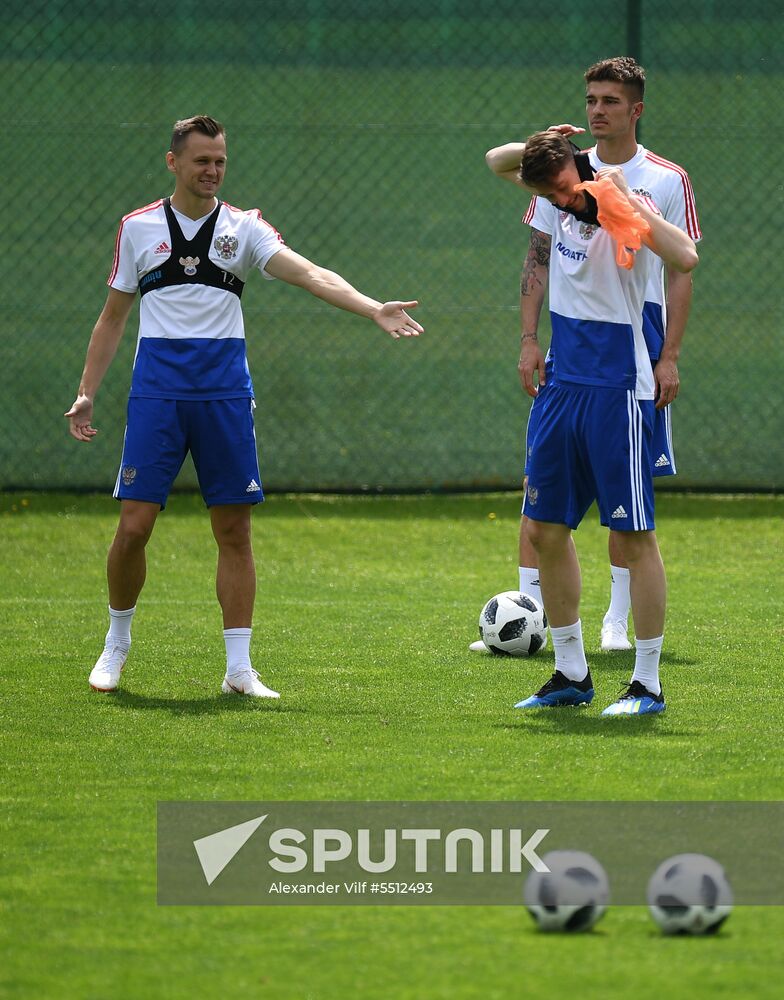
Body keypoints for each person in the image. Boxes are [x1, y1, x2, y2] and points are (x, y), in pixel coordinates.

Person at [65, 115, 423, 698]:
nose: (212, 170)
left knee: (234, 530)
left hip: (225, 396)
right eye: (202, 159)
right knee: (133, 527)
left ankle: (238, 669)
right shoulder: (138, 228)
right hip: (157, 394)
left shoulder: (245, 229)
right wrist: (87, 391)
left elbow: (310, 274)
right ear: (173, 162)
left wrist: (371, 306)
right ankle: (117, 642)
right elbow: (112, 318)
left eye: (221, 161)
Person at [475, 56, 700, 656]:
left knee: (629, 518)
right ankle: (563, 659)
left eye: (609, 101)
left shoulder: (655, 184)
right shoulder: (563, 170)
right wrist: (542, 146)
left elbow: (683, 265)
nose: (597, 111)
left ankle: (626, 643)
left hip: (626, 361)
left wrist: (669, 354)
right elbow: (513, 196)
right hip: (567, 367)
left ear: (636, 109)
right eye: (591, 101)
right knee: (545, 521)